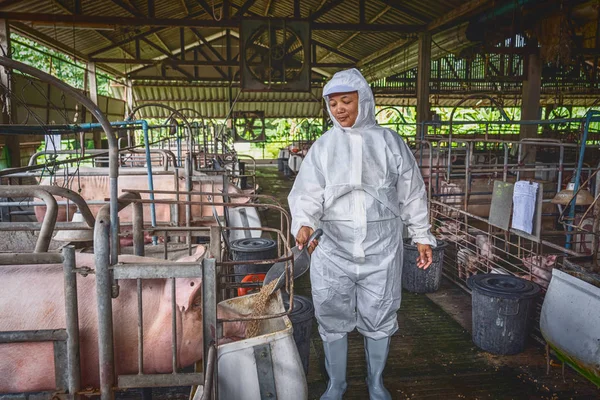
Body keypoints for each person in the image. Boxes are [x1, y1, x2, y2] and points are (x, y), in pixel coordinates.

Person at [287, 68, 436, 400]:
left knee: (381, 311)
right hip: (332, 247)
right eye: (333, 103)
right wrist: (304, 223)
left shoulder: (389, 142)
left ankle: (375, 381)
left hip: (381, 247)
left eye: (346, 101)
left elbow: (411, 191)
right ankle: (336, 383)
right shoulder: (324, 147)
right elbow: (308, 193)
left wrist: (422, 234)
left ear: (364, 101)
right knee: (330, 312)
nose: (339, 109)